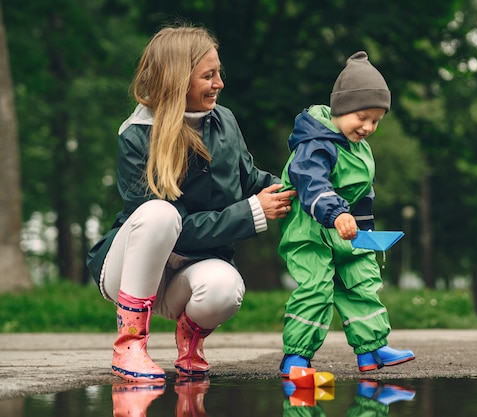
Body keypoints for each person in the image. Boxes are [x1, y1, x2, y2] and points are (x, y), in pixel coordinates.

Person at [86, 24, 296, 383]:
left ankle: (190, 339)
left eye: (219, 73)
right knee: (159, 214)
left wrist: (303, 191)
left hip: (188, 272)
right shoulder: (136, 135)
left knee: (225, 290)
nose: (219, 84)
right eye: (208, 76)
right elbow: (175, 231)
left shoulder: (224, 120)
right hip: (128, 268)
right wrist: (252, 212)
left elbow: (252, 179)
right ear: (178, 80)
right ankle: (129, 345)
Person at [277, 51, 415, 377]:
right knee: (316, 288)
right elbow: (312, 182)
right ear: (341, 107)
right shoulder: (315, 142)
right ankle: (296, 358)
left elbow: (363, 193)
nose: (368, 127)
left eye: (376, 121)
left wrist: (366, 234)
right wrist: (336, 212)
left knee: (362, 281)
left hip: (347, 229)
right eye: (362, 117)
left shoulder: (360, 148)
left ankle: (372, 349)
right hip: (311, 227)